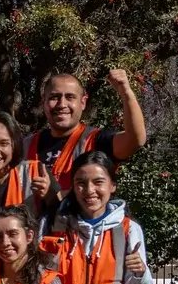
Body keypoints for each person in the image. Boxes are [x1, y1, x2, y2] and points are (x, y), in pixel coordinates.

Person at [47, 151, 154, 284]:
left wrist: (140, 274)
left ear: (112, 185)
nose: (89, 190)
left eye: (98, 182)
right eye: (81, 183)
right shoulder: (56, 228)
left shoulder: (128, 230)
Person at [25, 68, 149, 201]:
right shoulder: (26, 145)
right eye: (54, 97)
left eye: (70, 97)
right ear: (44, 102)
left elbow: (135, 139)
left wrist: (126, 92)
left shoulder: (96, 141)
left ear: (83, 102)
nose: (62, 104)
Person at [0, 113, 50, 231]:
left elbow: (65, 214)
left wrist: (49, 198)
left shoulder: (37, 173)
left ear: (14, 145)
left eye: (4, 143)